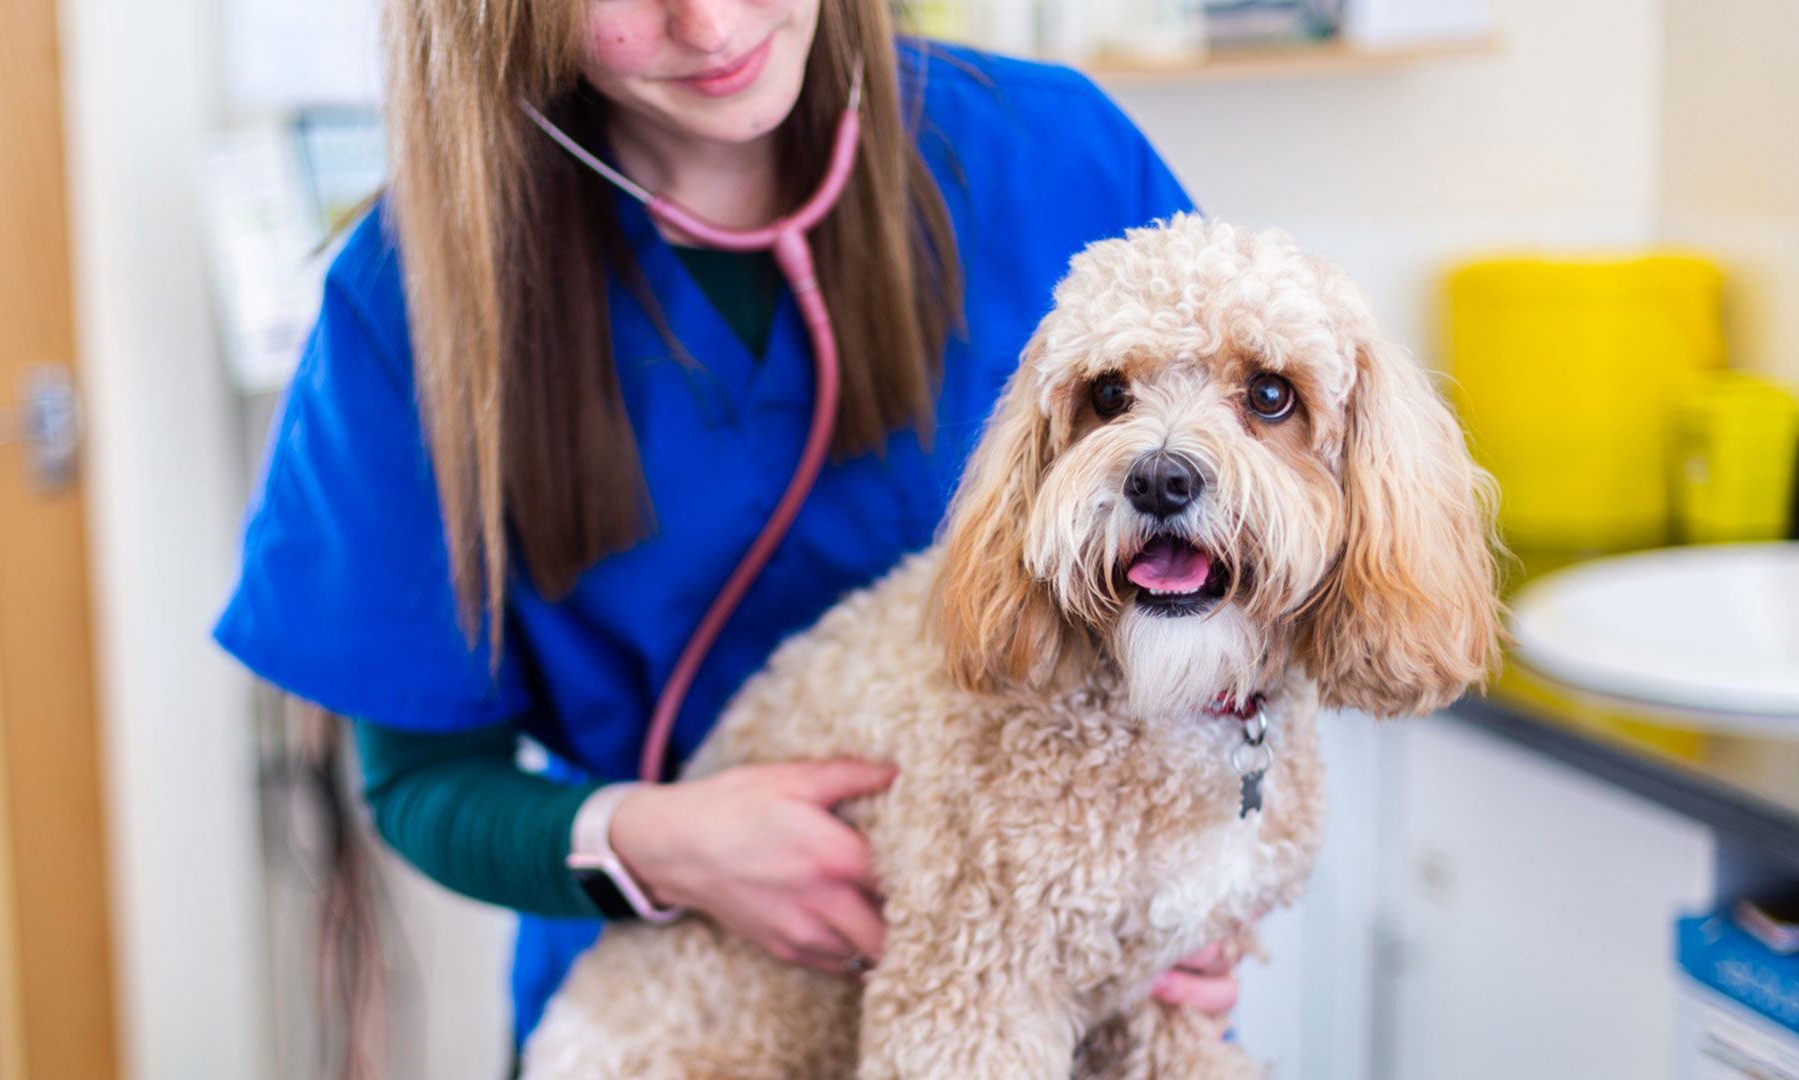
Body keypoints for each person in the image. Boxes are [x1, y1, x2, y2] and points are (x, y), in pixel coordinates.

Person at [214, 0, 1243, 1056]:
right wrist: (660, 847)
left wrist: (1203, 876)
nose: (709, 26)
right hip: (670, 1008)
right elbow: (421, 781)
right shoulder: (414, 295)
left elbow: (1263, 563)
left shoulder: (1057, 157)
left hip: (1046, 991)